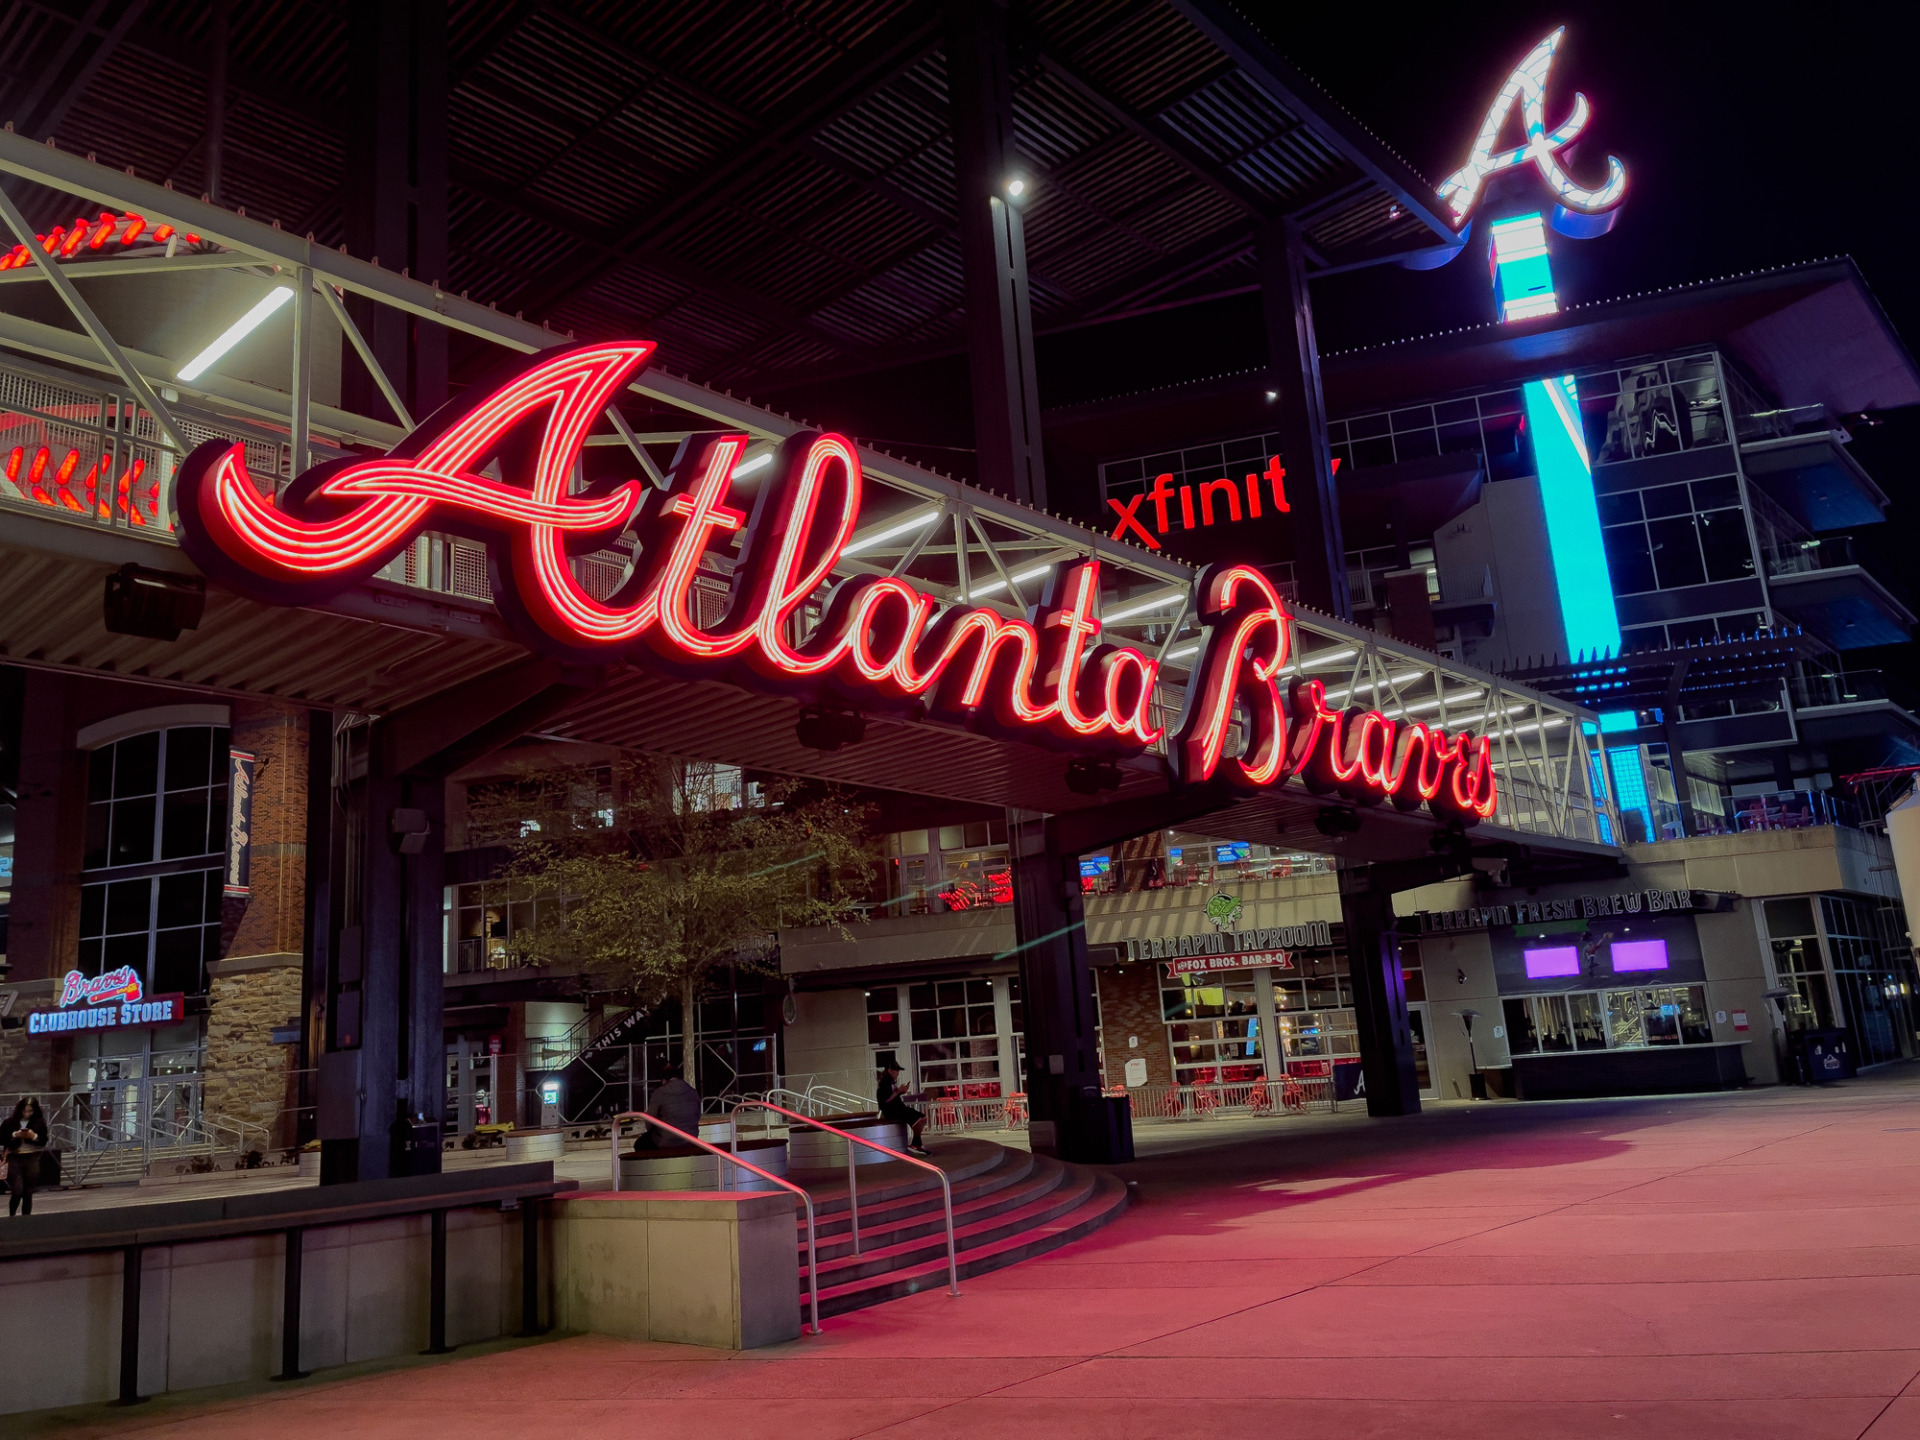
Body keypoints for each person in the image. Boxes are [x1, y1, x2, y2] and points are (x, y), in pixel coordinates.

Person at [633, 1063, 701, 1151]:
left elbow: (649, 1121)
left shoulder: (659, 1093)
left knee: (640, 1144)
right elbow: (697, 1115)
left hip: (665, 1141)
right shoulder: (693, 1092)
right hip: (691, 1139)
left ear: (664, 1079)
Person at [5, 1096, 49, 1216]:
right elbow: (2, 1137)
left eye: (30, 1111)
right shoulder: (10, 1122)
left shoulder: (39, 1122)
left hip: (32, 1157)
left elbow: (44, 1140)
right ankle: (12, 1215)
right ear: (20, 1109)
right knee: (17, 1190)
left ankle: (26, 1219)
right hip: (15, 1157)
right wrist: (14, 1135)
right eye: (24, 1111)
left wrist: (33, 1136)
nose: (27, 1114)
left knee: (28, 1192)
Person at [878, 1061, 929, 1156]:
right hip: (892, 1111)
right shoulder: (885, 1082)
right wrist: (898, 1092)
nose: (898, 1073)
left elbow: (892, 1097)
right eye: (896, 1070)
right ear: (890, 1070)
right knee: (918, 1119)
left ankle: (917, 1143)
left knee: (921, 1117)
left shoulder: (890, 1081)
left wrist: (901, 1092)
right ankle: (916, 1144)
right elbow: (885, 1100)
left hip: (898, 1108)